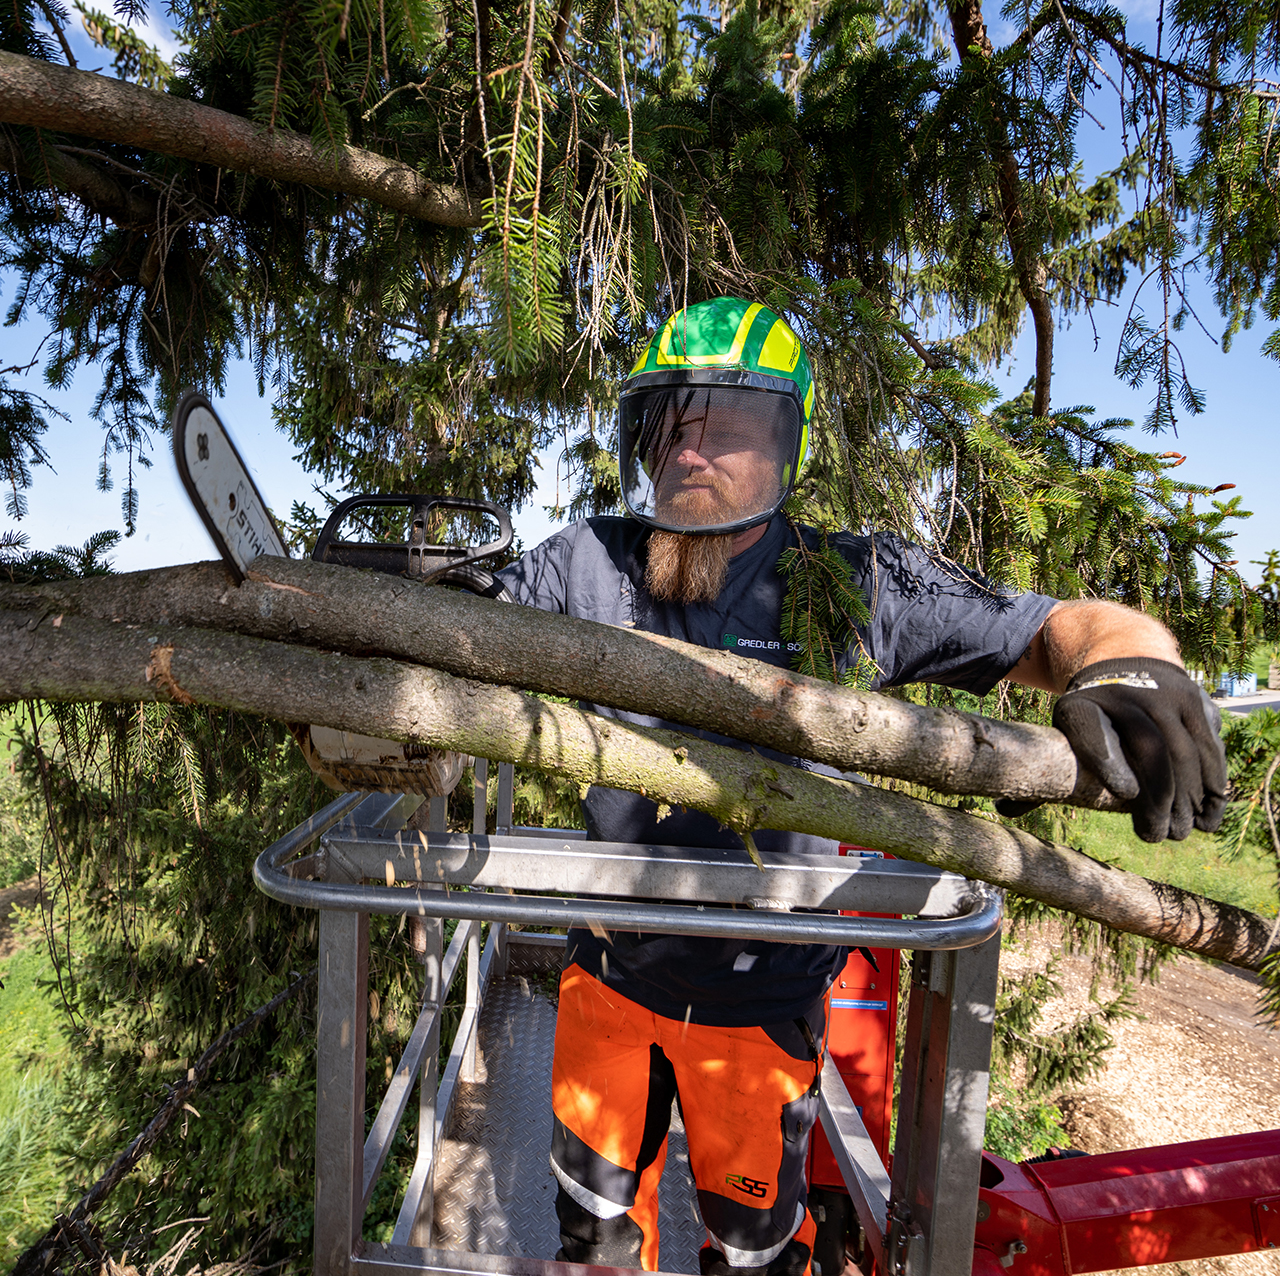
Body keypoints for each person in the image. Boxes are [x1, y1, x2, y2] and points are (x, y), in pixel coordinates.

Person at [495, 296, 1227, 1276]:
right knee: (586, 1235)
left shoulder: (854, 584)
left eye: (730, 424)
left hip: (756, 1009)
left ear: (786, 442)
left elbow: (1063, 627)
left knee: (751, 1251)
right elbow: (448, 632)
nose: (692, 449)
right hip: (605, 978)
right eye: (670, 422)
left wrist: (1132, 666)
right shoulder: (588, 562)